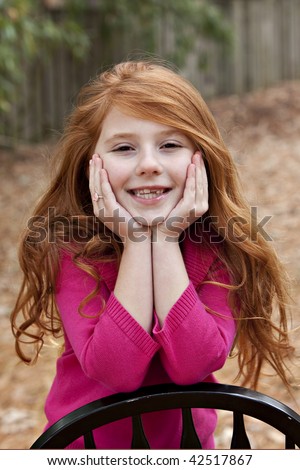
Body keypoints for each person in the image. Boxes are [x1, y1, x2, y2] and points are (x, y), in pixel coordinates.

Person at [11, 60, 294, 449]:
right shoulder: (72, 250)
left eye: (170, 145)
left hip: (188, 453)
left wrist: (162, 239)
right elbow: (117, 371)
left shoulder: (221, 246)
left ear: (201, 157)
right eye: (124, 147)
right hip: (85, 452)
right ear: (90, 162)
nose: (148, 165)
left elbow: (193, 364)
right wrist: (137, 241)